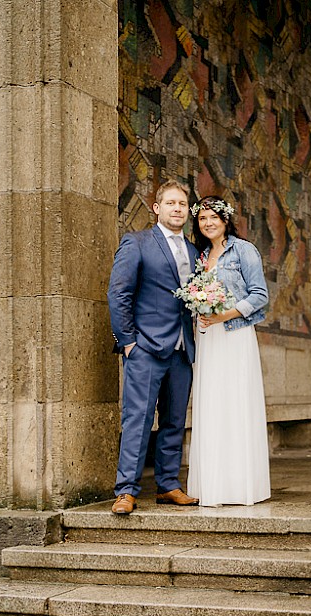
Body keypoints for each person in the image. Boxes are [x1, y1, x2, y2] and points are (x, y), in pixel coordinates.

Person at [107, 180, 200, 514]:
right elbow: (118, 293)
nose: (177, 208)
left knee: (175, 420)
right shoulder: (137, 242)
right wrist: (128, 342)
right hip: (145, 347)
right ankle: (127, 490)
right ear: (157, 208)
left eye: (182, 204)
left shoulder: (193, 252)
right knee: (138, 419)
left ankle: (168, 485)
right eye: (170, 203)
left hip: (181, 349)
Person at [187, 196, 271, 506]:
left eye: (213, 217)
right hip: (209, 338)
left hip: (235, 335)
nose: (207, 223)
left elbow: (260, 294)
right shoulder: (201, 255)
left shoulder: (243, 250)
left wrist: (226, 314)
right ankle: (214, 484)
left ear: (225, 220)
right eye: (202, 218)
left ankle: (240, 485)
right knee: (212, 406)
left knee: (236, 405)